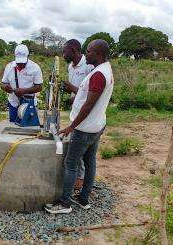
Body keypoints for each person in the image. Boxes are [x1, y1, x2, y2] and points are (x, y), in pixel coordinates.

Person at [44, 39, 114, 214]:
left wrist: (71, 127)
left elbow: (88, 105)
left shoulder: (98, 75)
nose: (86, 53)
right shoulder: (105, 70)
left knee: (71, 164)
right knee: (90, 162)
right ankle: (83, 199)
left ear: (98, 54)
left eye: (89, 51)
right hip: (97, 125)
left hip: (85, 128)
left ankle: (64, 204)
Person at [62, 39, 94, 192]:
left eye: (65, 51)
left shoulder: (88, 66)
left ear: (73, 50)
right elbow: (77, 93)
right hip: (75, 112)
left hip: (85, 115)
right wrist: (69, 93)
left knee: (80, 152)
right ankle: (80, 181)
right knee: (81, 152)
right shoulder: (70, 67)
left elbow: (90, 93)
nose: (63, 55)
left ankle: (79, 181)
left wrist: (72, 88)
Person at [1, 44, 43, 122]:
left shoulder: (35, 68)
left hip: (28, 104)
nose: (21, 64)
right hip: (13, 103)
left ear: (28, 56)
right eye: (18, 62)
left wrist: (24, 91)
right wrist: (6, 88)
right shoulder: (9, 67)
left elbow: (39, 87)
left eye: (23, 62)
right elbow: (3, 84)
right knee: (13, 128)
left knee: (29, 128)